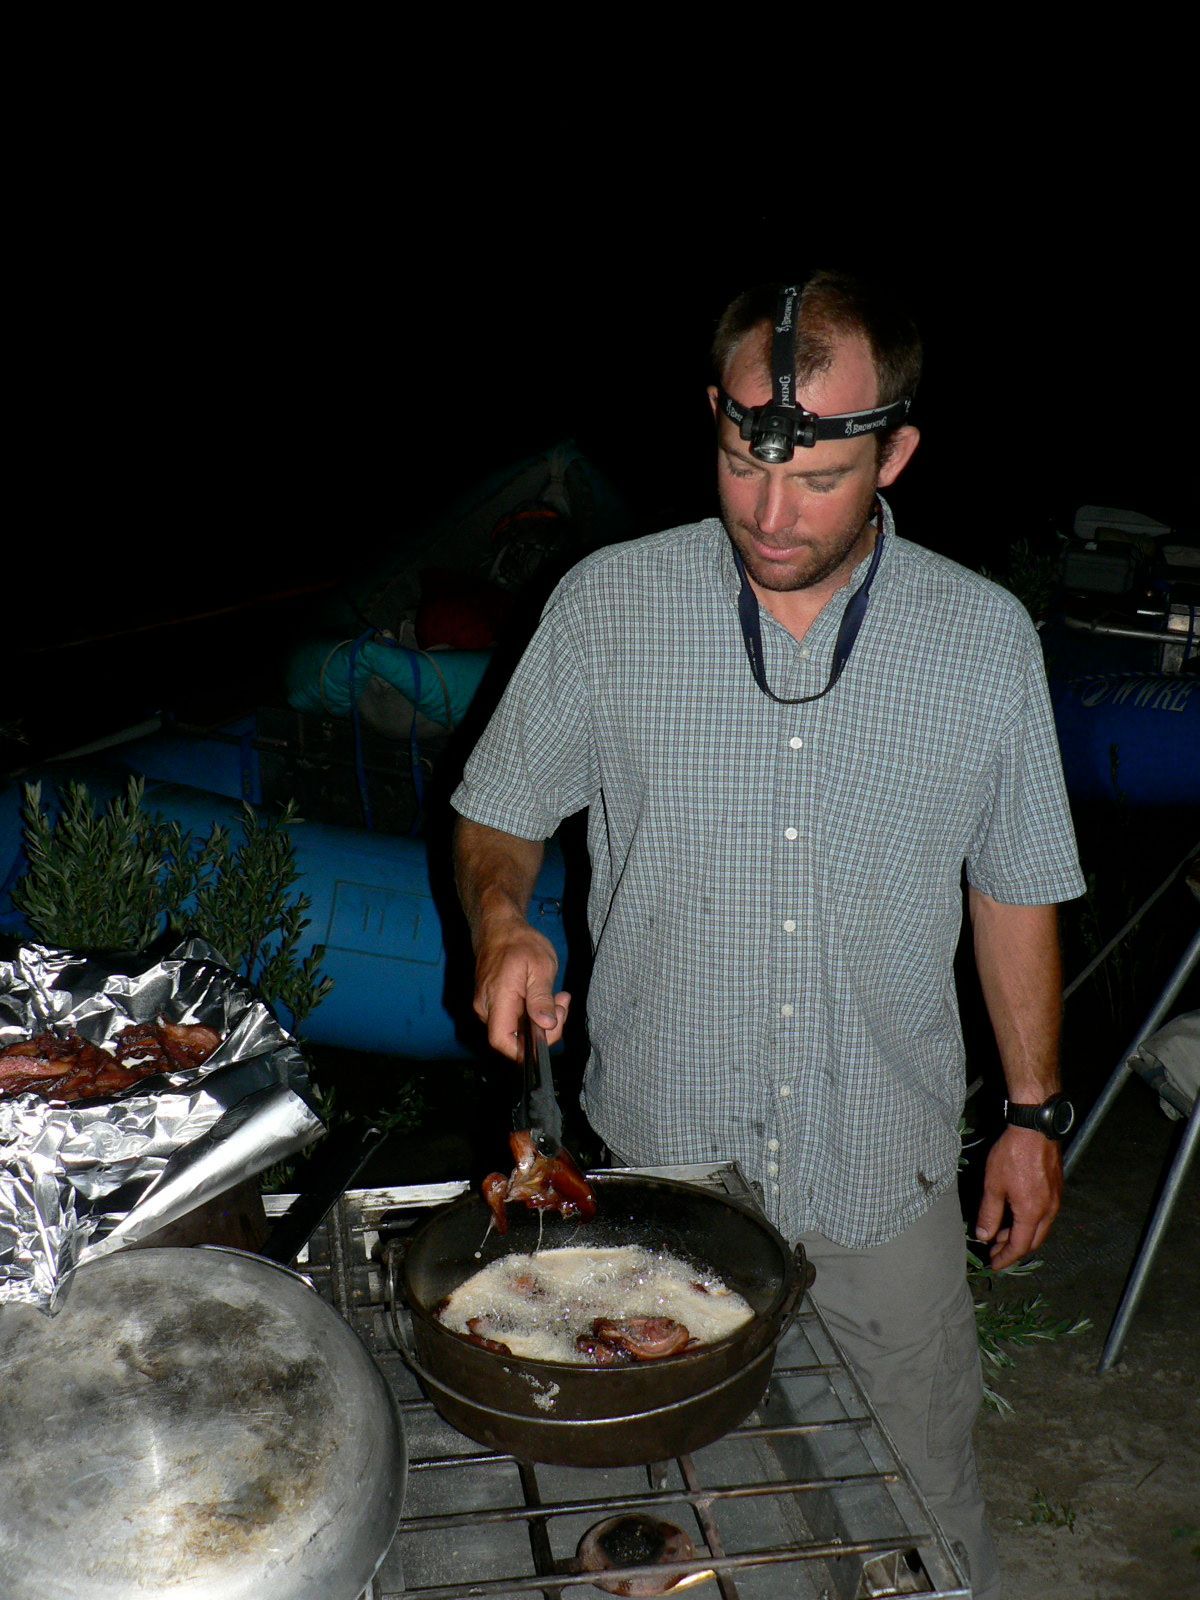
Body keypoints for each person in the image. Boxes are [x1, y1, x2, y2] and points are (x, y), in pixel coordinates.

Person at [451, 272, 1085, 1599]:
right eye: (745, 459)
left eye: (817, 478)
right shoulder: (608, 607)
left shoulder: (982, 642)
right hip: (662, 1182)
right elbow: (499, 816)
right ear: (718, 424)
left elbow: (1014, 884)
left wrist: (1035, 1111)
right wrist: (504, 923)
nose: (770, 511)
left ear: (897, 451)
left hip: (884, 1182)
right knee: (663, 1525)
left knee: (915, 1513)